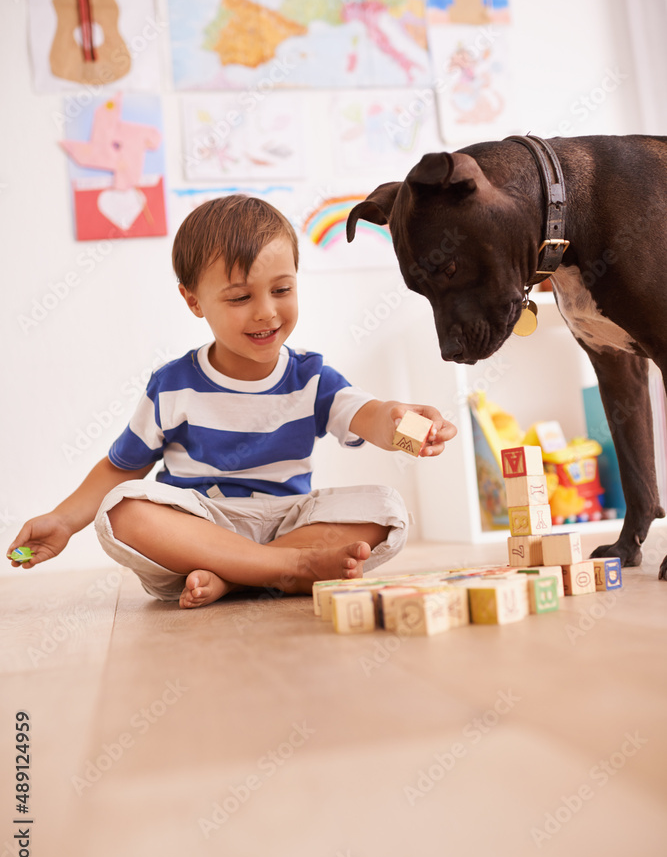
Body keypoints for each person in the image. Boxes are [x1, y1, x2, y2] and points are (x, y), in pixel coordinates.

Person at [8, 196, 457, 609]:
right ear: (193, 300)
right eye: (241, 297)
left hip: (288, 522)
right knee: (122, 509)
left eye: (281, 290)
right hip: (200, 528)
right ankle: (287, 569)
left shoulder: (312, 376)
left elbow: (369, 415)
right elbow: (123, 468)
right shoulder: (173, 385)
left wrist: (403, 424)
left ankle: (238, 576)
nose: (266, 311)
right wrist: (64, 520)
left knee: (387, 507)